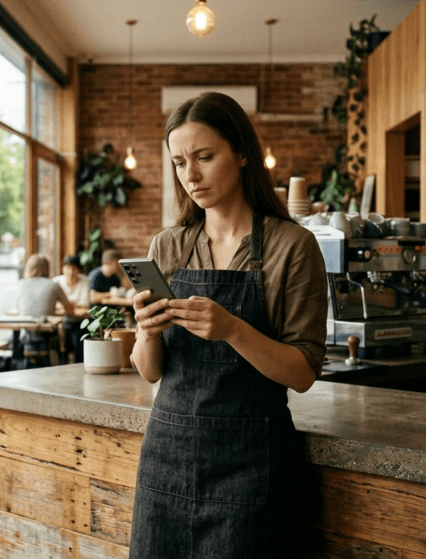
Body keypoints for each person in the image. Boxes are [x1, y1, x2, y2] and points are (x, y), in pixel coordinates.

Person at [128, 92, 328, 558]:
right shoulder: (168, 246)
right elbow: (149, 371)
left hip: (250, 464)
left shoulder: (292, 246)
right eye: (179, 162)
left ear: (241, 153)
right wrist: (147, 331)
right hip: (166, 456)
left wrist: (234, 329)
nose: (190, 176)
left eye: (204, 157)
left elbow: (302, 373)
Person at [53, 255, 90, 362]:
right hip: (60, 321)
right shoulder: (56, 281)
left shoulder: (85, 281)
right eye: (67, 268)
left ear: (79, 270)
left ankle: (77, 363)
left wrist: (64, 305)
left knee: (79, 332)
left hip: (79, 320)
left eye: (74, 268)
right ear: (63, 269)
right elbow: (53, 304)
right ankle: (61, 363)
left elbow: (84, 304)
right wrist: (72, 304)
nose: (71, 271)